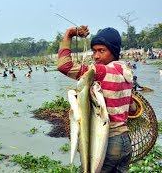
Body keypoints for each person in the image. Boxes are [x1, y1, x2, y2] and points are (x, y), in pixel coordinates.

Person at [57, 26, 137, 172]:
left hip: (107, 143)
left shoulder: (101, 71)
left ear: (113, 51)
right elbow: (133, 109)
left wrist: (68, 35)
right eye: (94, 51)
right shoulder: (126, 73)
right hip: (125, 143)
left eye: (102, 50)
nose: (96, 56)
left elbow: (64, 66)